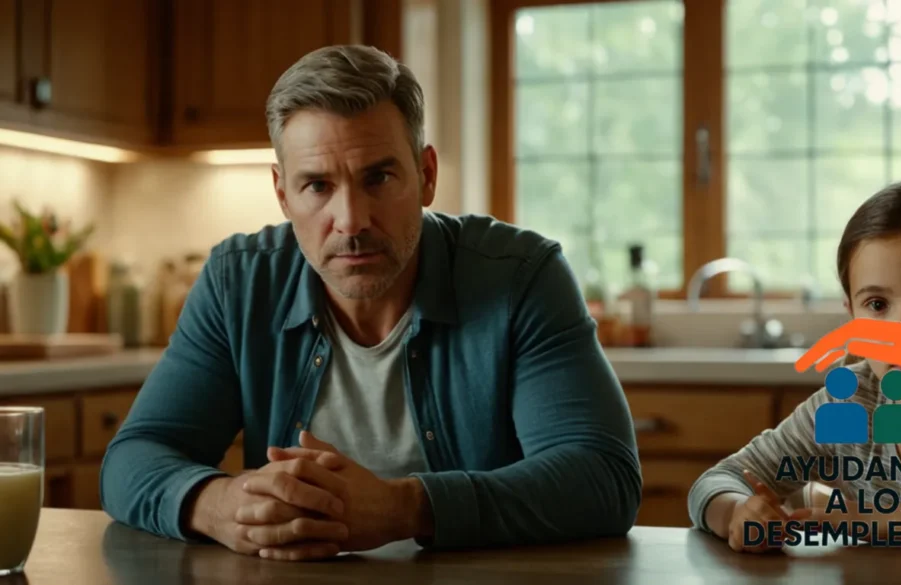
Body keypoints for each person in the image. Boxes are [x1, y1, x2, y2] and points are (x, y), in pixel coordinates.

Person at [99, 45, 641, 561]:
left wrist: (404, 508)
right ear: (282, 193)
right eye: (317, 186)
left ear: (426, 175)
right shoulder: (238, 283)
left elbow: (602, 477)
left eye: (378, 177)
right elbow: (132, 458)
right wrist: (219, 506)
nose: (352, 220)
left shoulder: (521, 276)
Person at [687, 178, 901, 553]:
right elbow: (718, 481)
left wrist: (868, 520)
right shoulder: (847, 407)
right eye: (878, 305)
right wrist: (738, 513)